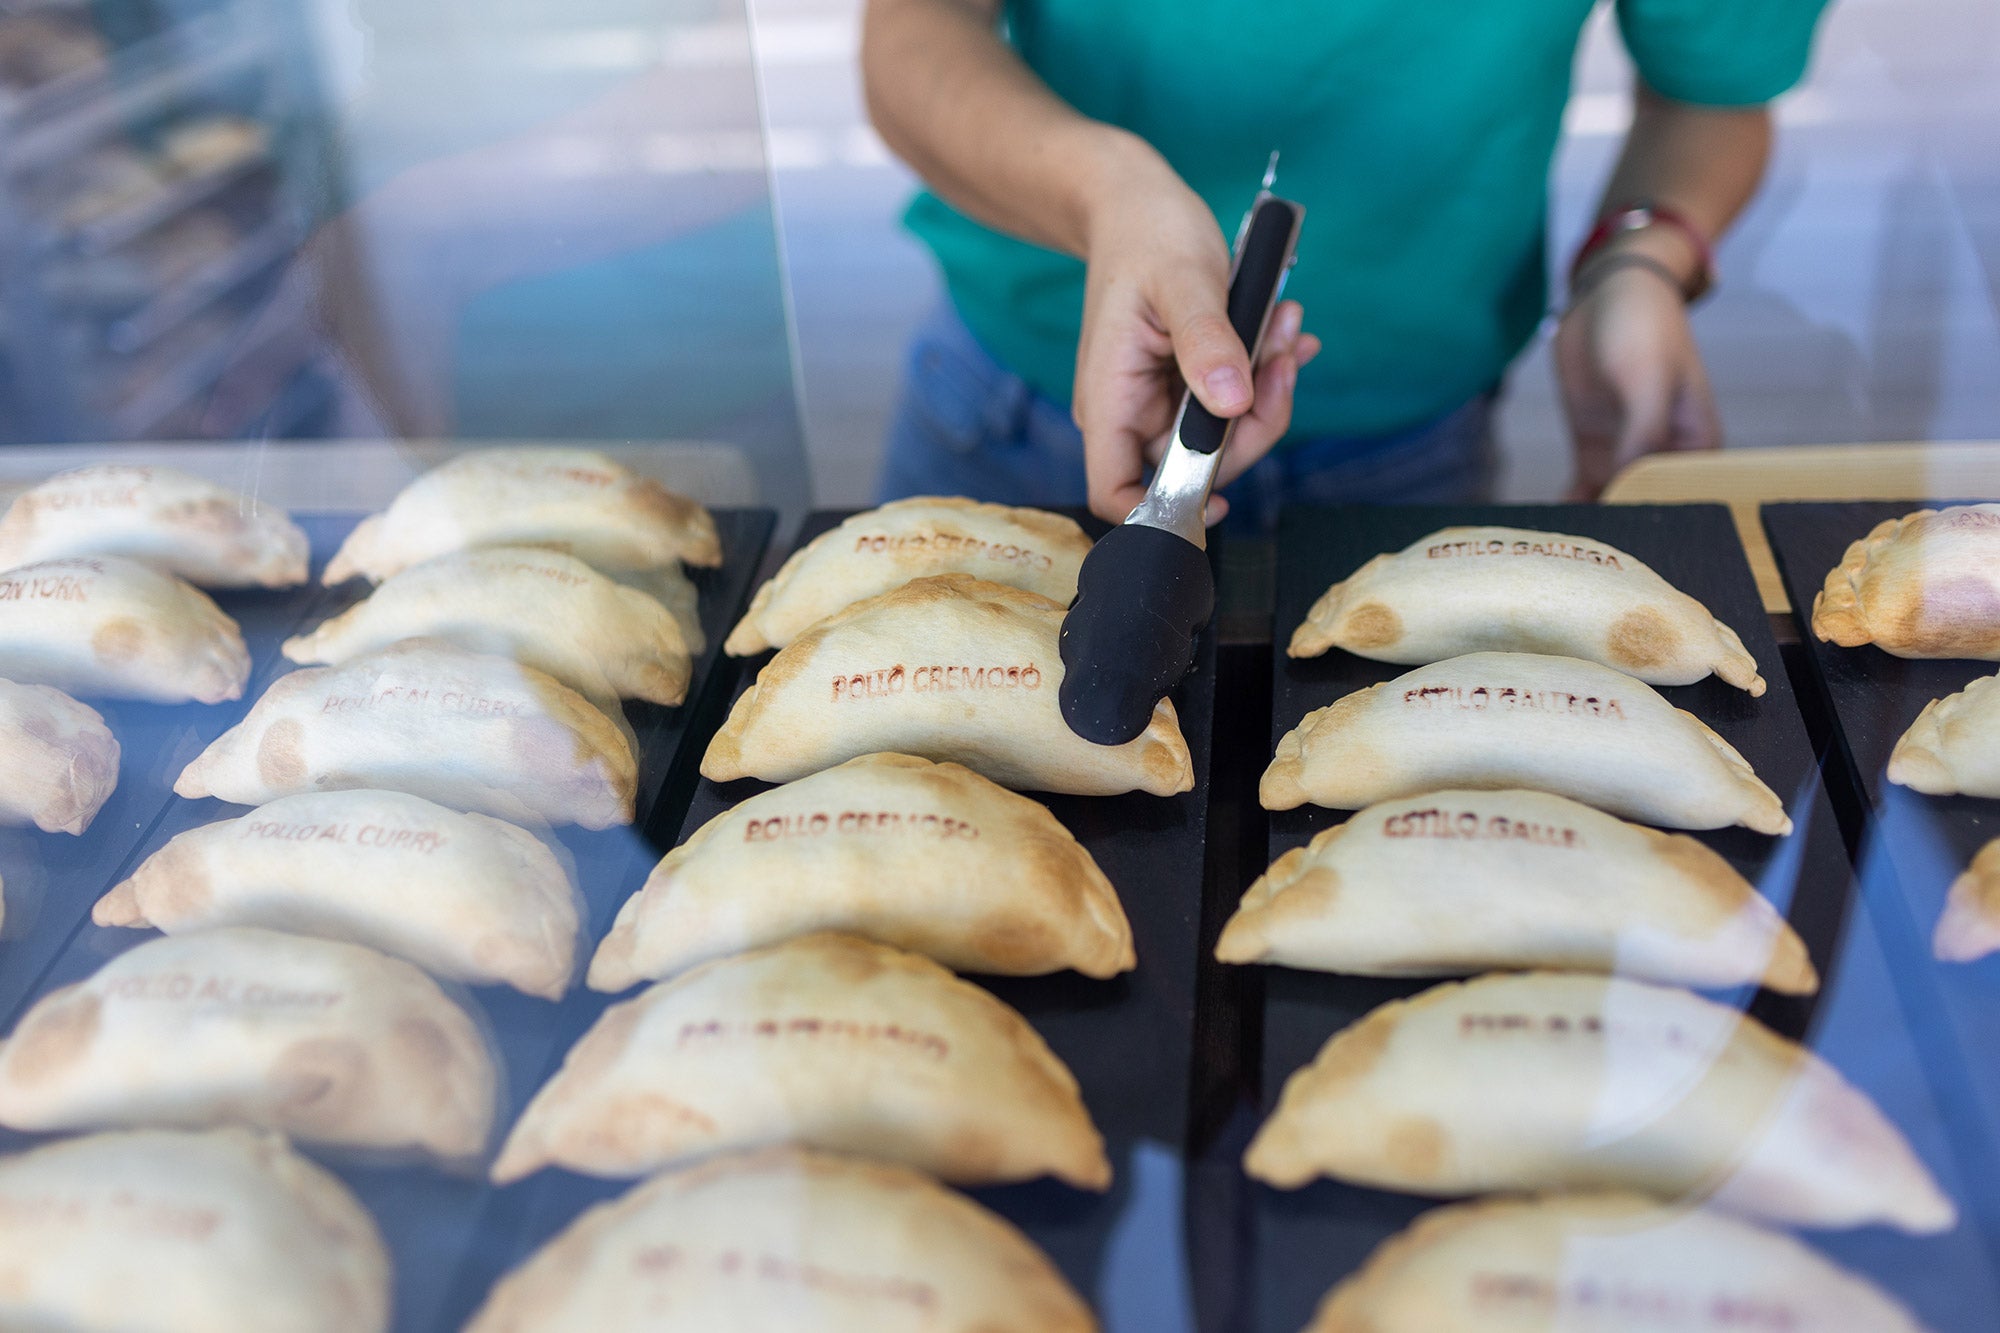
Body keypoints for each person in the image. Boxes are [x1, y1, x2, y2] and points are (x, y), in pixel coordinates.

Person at [862, 0, 1828, 527]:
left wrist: (1637, 260)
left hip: (1420, 438)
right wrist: (1107, 195)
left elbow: (1711, 92)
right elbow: (911, 31)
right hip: (1016, 404)